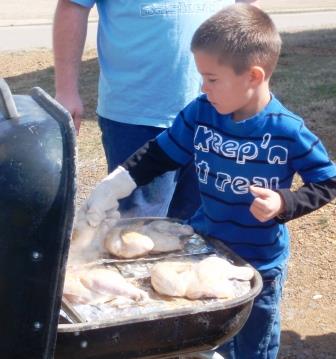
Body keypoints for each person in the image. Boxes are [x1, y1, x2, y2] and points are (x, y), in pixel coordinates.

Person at [76, 4, 336, 358]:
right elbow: (160, 153)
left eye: (212, 79)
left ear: (253, 77)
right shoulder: (201, 112)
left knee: (252, 347)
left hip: (257, 263)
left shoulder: (286, 131)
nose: (203, 86)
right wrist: (116, 184)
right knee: (209, 338)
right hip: (205, 249)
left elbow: (327, 182)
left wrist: (284, 203)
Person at [53, 0, 259, 220]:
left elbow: (246, 8)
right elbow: (73, 6)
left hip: (215, 112)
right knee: (136, 231)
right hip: (137, 117)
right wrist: (66, 90)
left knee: (203, 226)